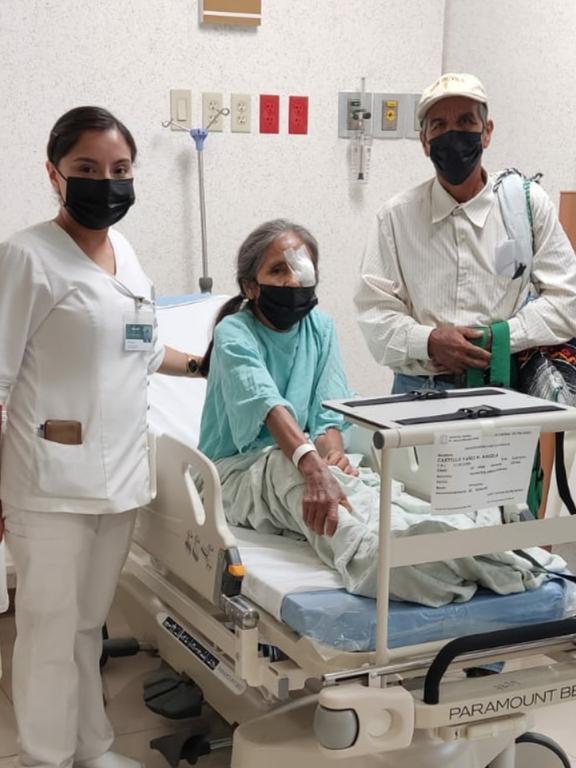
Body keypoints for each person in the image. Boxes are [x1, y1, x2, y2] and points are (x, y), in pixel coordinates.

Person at [198, 219, 563, 606]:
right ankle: (380, 560)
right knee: (291, 472)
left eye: (299, 268)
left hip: (304, 458)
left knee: (372, 489)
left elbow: (327, 410)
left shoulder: (319, 327)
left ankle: (459, 541)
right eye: (277, 270)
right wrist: (314, 467)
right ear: (250, 287)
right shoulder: (234, 333)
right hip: (236, 473)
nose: (291, 280)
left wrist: (332, 454)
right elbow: (266, 404)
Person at [0, 107, 203, 768]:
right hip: (48, 485)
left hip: (119, 480)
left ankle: (91, 747)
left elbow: (142, 348)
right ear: (54, 173)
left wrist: (204, 365)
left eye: (120, 169)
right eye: (87, 168)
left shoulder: (127, 254)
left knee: (88, 626)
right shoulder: (26, 257)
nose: (106, 182)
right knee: (49, 631)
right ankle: (46, 757)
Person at [355, 73, 576, 395]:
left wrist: (500, 338)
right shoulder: (396, 218)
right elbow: (374, 316)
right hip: (420, 389)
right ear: (424, 142)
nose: (453, 134)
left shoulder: (526, 205)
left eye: (466, 121)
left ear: (487, 133)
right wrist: (429, 341)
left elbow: (567, 300)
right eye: (439, 125)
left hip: (505, 388)